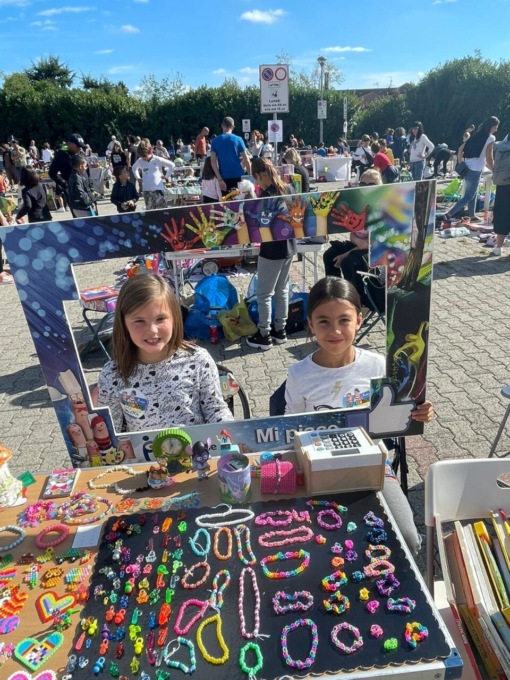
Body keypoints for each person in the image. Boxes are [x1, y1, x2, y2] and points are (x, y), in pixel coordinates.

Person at [285, 277, 434, 555]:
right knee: (323, 546)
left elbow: (401, 414)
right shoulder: (298, 374)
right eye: (323, 322)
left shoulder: (379, 366)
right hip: (318, 469)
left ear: (359, 320)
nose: (335, 331)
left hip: (373, 467)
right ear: (311, 325)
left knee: (408, 540)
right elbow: (290, 427)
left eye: (344, 320)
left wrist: (419, 412)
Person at [97, 275, 233, 432]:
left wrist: (233, 435)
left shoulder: (198, 360)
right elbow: (111, 431)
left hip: (197, 448)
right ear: (124, 324)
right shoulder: (112, 374)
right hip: (144, 449)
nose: (152, 330)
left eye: (160, 319)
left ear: (174, 318)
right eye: (139, 321)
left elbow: (216, 410)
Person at [246, 157, 295, 350]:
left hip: (272, 249)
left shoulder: (266, 196)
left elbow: (259, 224)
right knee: (282, 290)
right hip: (289, 246)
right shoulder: (288, 188)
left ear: (259, 175)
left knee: (264, 294)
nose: (256, 183)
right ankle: (280, 330)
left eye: (255, 178)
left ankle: (264, 334)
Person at [322, 168, 384, 310]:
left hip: (376, 250)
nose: (366, 187)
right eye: (363, 184)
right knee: (330, 255)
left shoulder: (381, 206)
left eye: (371, 185)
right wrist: (356, 243)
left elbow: (370, 243)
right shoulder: (358, 203)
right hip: (359, 245)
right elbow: (353, 235)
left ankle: (357, 303)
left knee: (348, 262)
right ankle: (335, 297)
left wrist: (346, 254)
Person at [443, 116, 499, 223]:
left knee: (473, 193)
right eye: (496, 127)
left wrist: (461, 162)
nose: (496, 129)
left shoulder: (475, 135)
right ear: (492, 126)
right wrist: (494, 169)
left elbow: (460, 149)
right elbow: (489, 157)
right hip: (475, 170)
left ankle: (472, 215)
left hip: (466, 168)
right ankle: (449, 214)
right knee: (469, 196)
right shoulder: (491, 138)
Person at [210, 117, 251, 195]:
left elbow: (213, 162)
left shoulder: (215, 141)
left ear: (222, 125)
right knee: (240, 200)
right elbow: (246, 160)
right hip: (239, 175)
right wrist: (250, 175)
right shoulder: (239, 139)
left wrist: (220, 179)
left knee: (226, 201)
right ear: (233, 127)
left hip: (223, 177)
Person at [132, 138, 175, 210]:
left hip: (158, 189)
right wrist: (138, 177)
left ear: (150, 151)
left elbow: (172, 165)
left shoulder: (157, 159)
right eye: (141, 156)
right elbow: (134, 168)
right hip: (147, 190)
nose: (143, 158)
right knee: (150, 212)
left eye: (144, 156)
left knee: (163, 211)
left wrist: (166, 176)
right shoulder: (140, 161)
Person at [49, 133, 87, 213]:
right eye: (78, 146)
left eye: (81, 146)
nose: (80, 148)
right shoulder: (61, 155)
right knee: (80, 213)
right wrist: (64, 184)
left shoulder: (80, 152)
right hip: (73, 190)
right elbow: (52, 172)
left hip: (85, 187)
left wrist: (90, 185)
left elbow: (86, 169)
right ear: (70, 144)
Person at [487, 128, 510, 257]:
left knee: (502, 213)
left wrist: (494, 170)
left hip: (502, 183)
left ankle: (498, 247)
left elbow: (489, 155)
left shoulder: (501, 145)